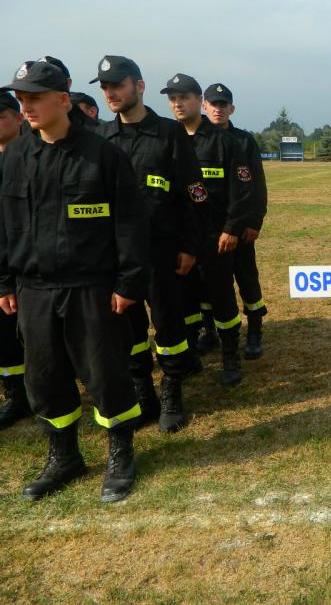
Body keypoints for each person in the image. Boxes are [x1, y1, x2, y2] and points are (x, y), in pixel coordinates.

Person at [0, 60, 149, 502]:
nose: (26, 107)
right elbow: (5, 225)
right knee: (44, 378)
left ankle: (120, 453)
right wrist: (5, 281)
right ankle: (64, 456)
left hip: (92, 288)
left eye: (35, 98)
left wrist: (128, 283)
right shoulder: (15, 158)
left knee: (105, 375)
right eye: (21, 99)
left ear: (63, 100)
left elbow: (130, 225)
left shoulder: (104, 155)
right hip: (34, 290)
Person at [95, 56, 206, 432]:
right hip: (118, 256)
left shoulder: (169, 134)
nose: (110, 93)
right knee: (127, 328)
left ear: (138, 86)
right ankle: (144, 393)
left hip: (162, 251)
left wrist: (190, 246)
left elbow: (193, 193)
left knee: (169, 326)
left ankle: (172, 391)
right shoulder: (102, 139)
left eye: (118, 85)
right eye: (105, 87)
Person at [162, 73, 254, 387]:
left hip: (215, 236)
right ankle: (190, 354)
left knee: (222, 297)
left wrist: (232, 228)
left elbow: (242, 190)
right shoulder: (168, 139)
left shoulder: (224, 141)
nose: (178, 104)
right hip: (179, 237)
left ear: (198, 101)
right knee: (185, 297)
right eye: (172, 98)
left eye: (184, 97)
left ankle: (230, 356)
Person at [203, 83, 268, 359]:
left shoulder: (244, 140)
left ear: (232, 108)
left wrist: (254, 222)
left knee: (247, 278)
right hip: (206, 229)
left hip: (239, 228)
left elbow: (257, 185)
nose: (218, 109)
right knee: (207, 284)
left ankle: (254, 332)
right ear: (204, 106)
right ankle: (209, 331)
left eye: (223, 104)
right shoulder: (193, 139)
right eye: (213, 104)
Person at [0, 90, 29, 429]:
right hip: (3, 265)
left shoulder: (33, 157)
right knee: (5, 337)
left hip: (31, 261)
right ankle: (15, 394)